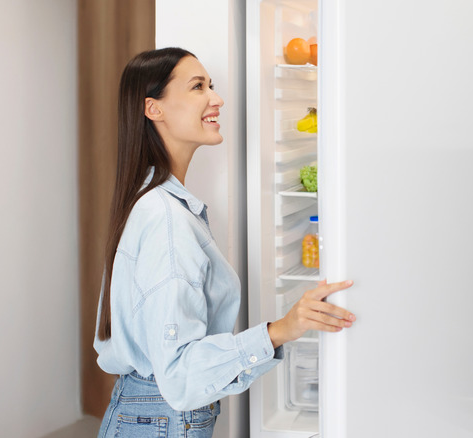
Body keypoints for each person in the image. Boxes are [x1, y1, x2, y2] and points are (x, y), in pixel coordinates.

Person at [94, 47, 354, 438]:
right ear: (154, 109)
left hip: (150, 415)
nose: (216, 98)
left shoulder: (155, 203)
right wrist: (282, 329)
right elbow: (180, 376)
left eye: (210, 85)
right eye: (198, 87)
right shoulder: (166, 219)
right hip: (161, 419)